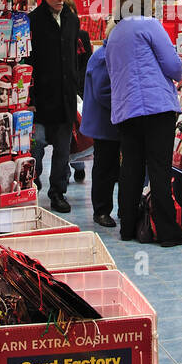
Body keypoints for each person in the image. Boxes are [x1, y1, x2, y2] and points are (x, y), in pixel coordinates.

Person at [105, 0, 182, 246]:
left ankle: (128, 227)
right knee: (159, 169)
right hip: (156, 108)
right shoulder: (149, 25)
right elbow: (172, 65)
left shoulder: (113, 34)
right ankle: (167, 232)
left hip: (126, 110)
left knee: (130, 169)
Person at [28, 0, 79, 213]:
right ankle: (32, 183)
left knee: (62, 151)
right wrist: (30, 99)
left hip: (66, 98)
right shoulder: (32, 21)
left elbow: (74, 58)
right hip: (40, 100)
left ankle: (57, 193)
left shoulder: (71, 19)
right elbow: (27, 62)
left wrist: (76, 92)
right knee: (35, 149)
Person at [80, 22, 119, 228]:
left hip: (110, 123)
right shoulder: (104, 57)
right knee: (104, 168)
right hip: (106, 124)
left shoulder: (107, 54)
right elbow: (104, 93)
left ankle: (108, 209)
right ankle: (101, 210)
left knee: (110, 167)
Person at [70, 27, 93, 184]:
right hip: (63, 91)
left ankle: (78, 166)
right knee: (68, 133)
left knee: (77, 130)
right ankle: (68, 169)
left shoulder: (81, 35)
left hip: (79, 89)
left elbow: (87, 62)